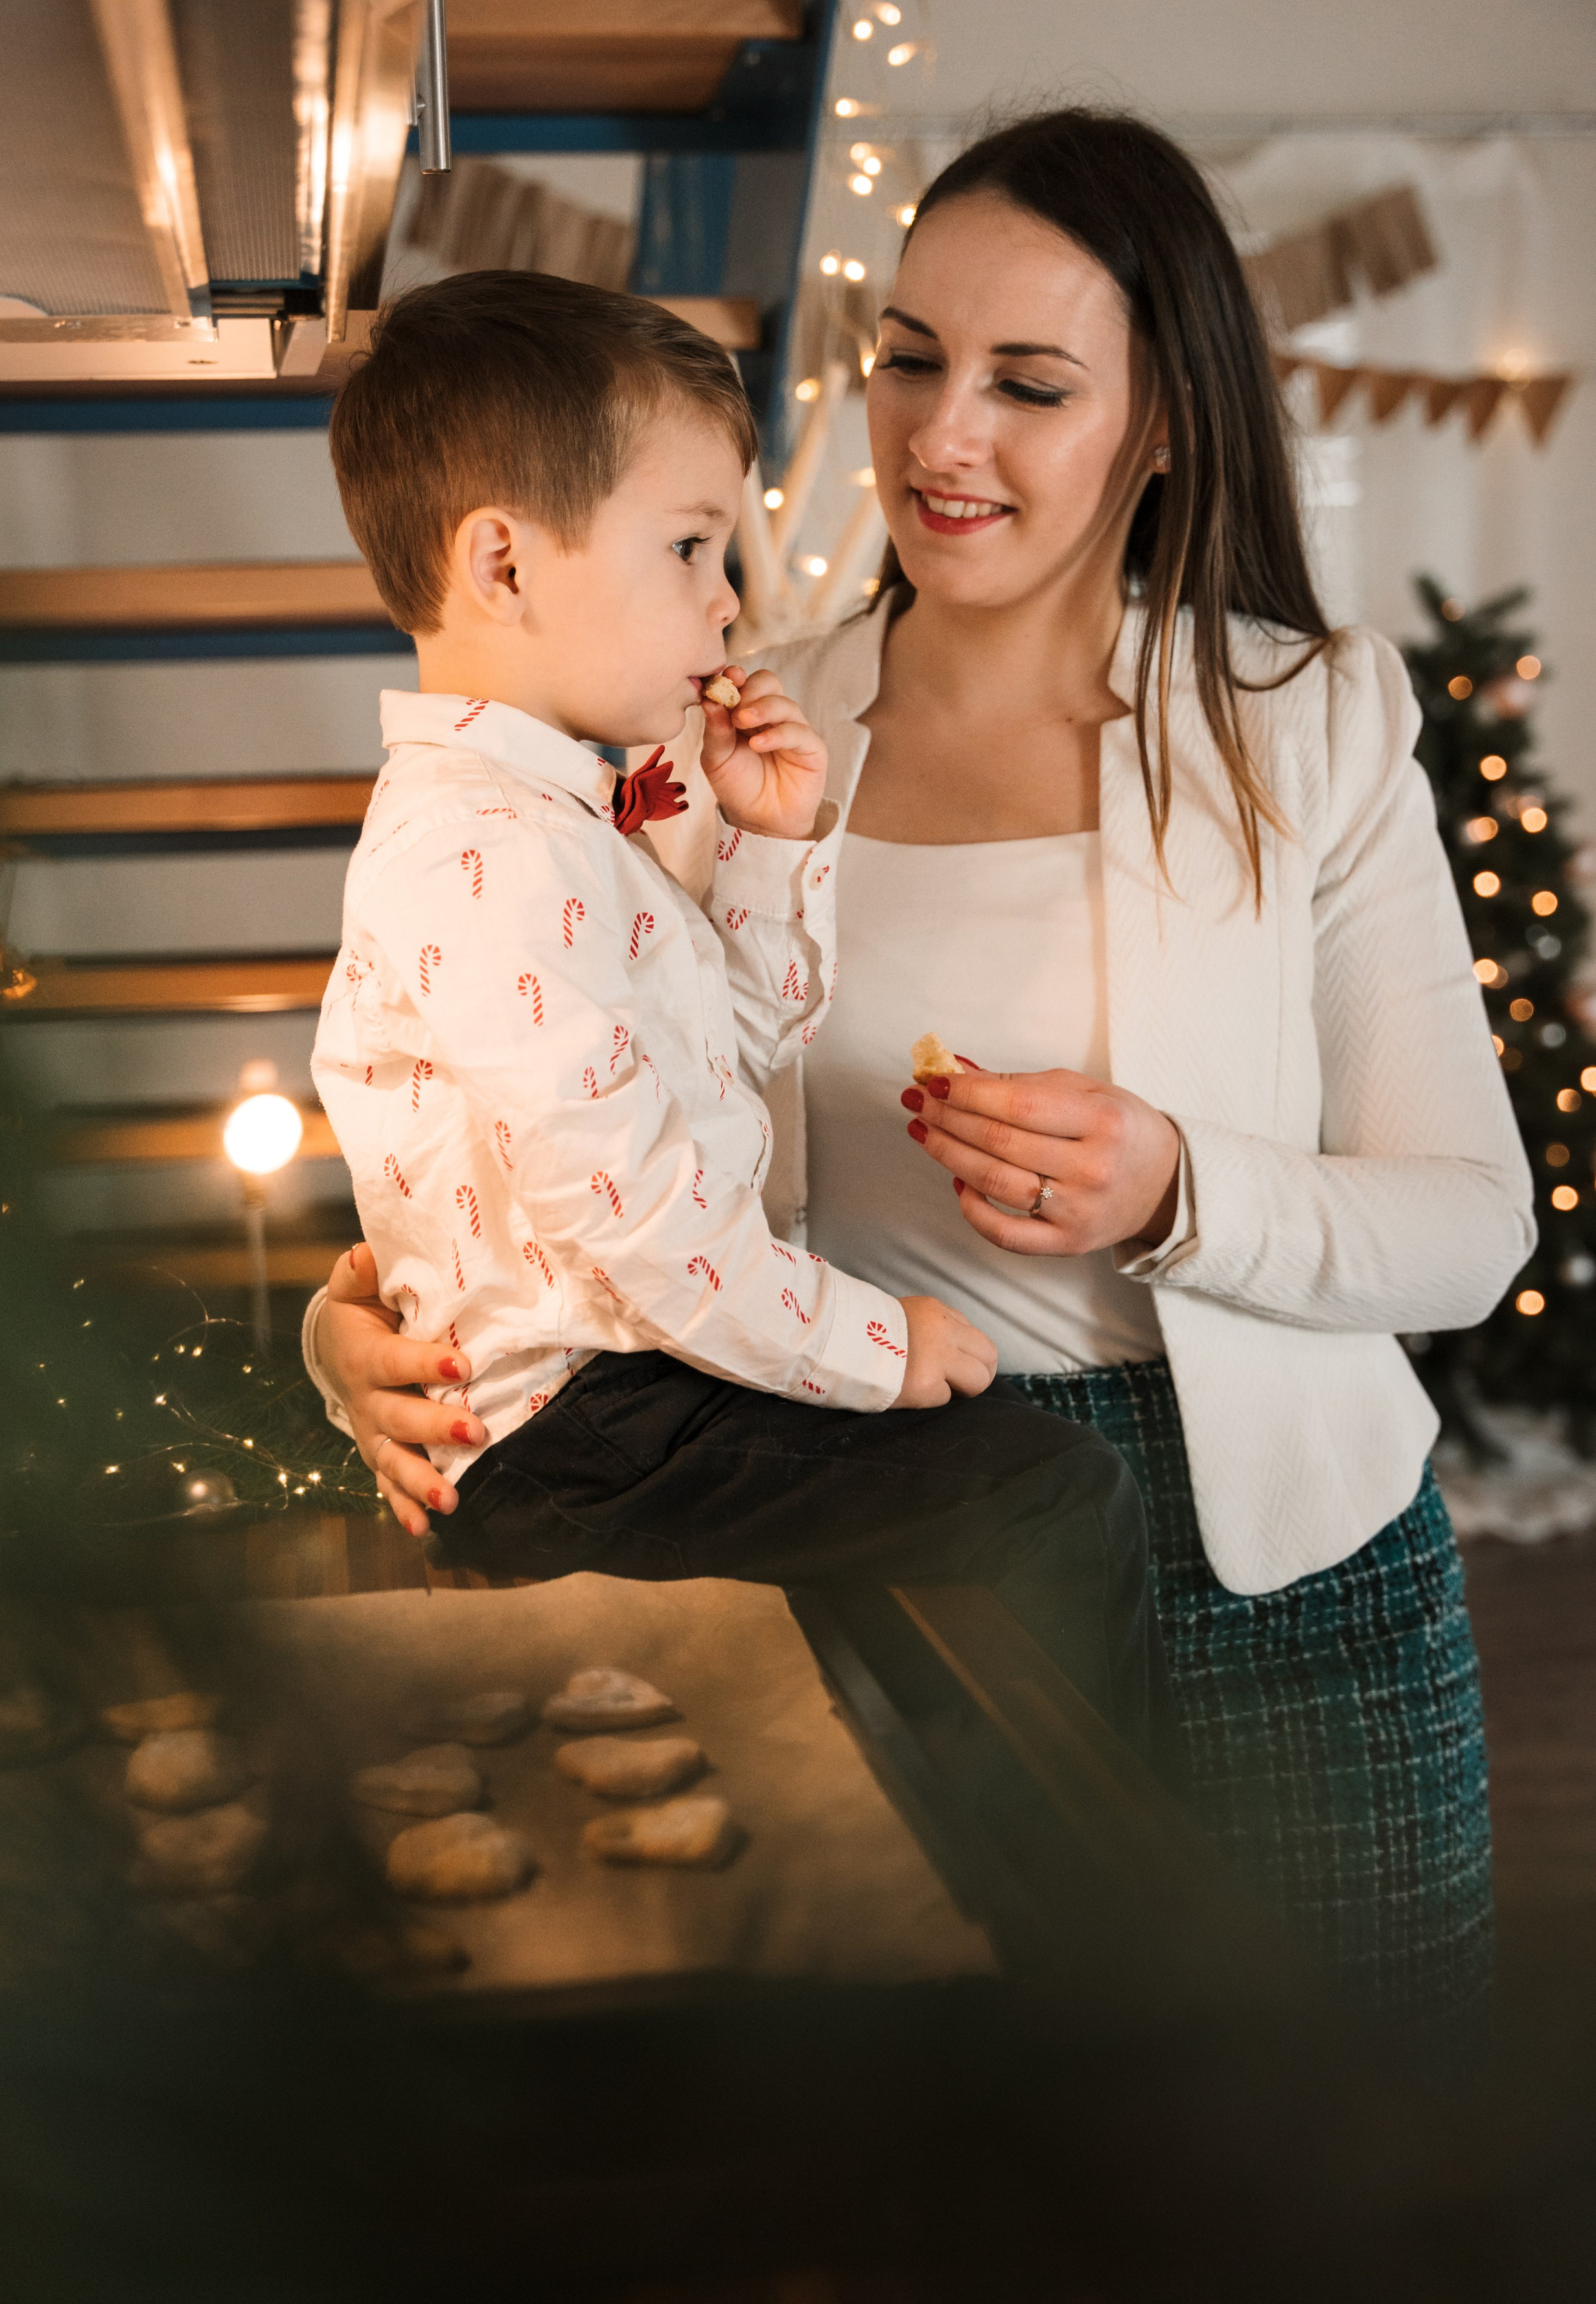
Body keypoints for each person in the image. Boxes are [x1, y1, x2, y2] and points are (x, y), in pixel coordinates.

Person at [308, 115, 1533, 2019]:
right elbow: (541, 1076)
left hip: (1291, 1577)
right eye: (909, 359)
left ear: (1162, 426)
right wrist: (357, 1319)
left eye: (1030, 386)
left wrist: (1178, 1189)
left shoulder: (1312, 721)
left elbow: (1470, 1229)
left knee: (1358, 2191)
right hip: (868, 1529)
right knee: (979, 2189)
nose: (941, 438)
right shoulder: (719, 705)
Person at [308, 268, 1168, 1758]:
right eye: (690, 547)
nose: (728, 601)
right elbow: (638, 1225)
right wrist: (866, 1342)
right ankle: (1089, 1933)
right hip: (584, 1428)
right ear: (503, 567)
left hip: (641, 1381)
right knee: (1046, 1494)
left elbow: (740, 1048)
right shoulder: (482, 854)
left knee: (991, 1496)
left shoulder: (558, 815)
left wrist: (770, 841)